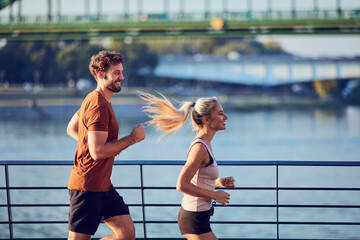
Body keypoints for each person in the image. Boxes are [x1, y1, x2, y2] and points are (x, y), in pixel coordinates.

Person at [66, 50, 145, 240]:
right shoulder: (98, 105)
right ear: (101, 74)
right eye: (116, 72)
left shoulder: (96, 99)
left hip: (103, 186)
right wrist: (132, 139)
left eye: (121, 71)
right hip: (87, 187)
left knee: (126, 234)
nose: (122, 77)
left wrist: (92, 144)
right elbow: (98, 151)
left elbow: (71, 128)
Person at [138, 91, 235, 240]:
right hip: (193, 218)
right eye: (221, 114)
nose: (226, 117)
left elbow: (198, 181)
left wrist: (218, 183)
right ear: (207, 119)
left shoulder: (206, 144)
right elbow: (181, 185)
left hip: (199, 216)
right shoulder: (199, 148)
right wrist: (215, 195)